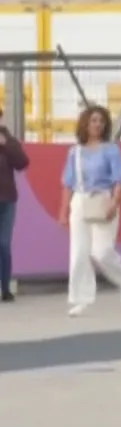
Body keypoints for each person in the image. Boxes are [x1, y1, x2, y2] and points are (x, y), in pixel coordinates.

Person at [60, 105, 121, 317]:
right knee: (79, 254)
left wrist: (115, 202)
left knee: (101, 252)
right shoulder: (75, 152)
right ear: (85, 123)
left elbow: (119, 178)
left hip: (103, 199)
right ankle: (81, 298)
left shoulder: (111, 149)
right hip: (80, 201)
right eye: (93, 120)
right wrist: (64, 210)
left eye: (101, 121)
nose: (97, 125)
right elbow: (68, 183)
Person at [0, 106, 27, 302]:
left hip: (7, 200)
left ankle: (5, 288)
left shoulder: (8, 140)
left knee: (4, 244)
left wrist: (6, 144)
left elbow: (22, 163)